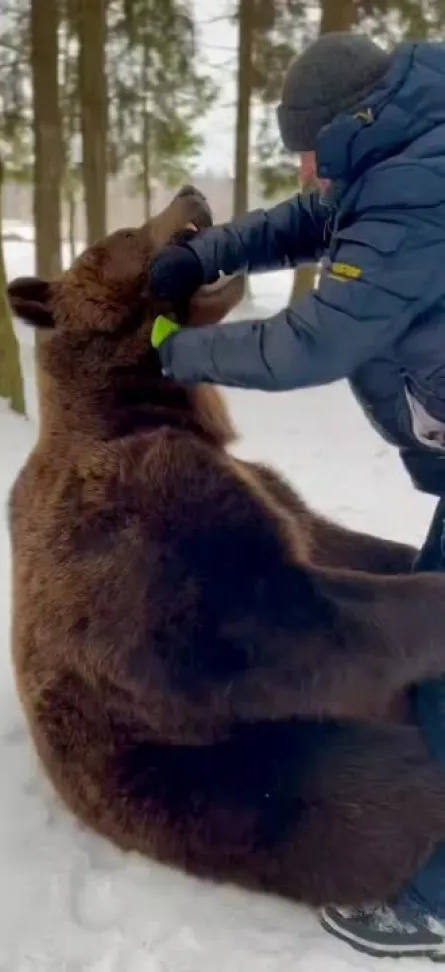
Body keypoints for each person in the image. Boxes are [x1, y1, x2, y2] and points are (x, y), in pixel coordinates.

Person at [148, 31, 445, 960]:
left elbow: (312, 344)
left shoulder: (414, 186)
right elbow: (303, 221)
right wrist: (197, 261)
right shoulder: (409, 155)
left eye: (309, 146)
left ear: (355, 123)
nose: (306, 166)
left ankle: (431, 905)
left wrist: (167, 349)